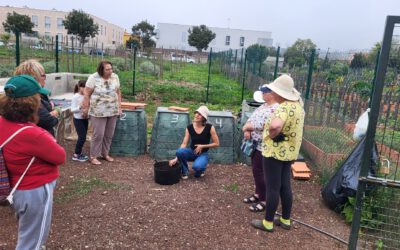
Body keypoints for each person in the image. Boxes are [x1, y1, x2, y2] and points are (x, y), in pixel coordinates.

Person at [0, 75, 66, 250]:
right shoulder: (33, 134)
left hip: (16, 189)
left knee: (27, 232)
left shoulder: (2, 123)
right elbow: (60, 156)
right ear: (31, 103)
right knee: (32, 243)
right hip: (34, 191)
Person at [251, 74, 305, 232]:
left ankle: (268, 223)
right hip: (289, 152)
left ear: (281, 93)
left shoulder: (283, 107)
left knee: (272, 187)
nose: (273, 94)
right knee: (285, 186)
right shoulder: (298, 107)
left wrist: (272, 135)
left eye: (275, 92)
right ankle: (285, 220)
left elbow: (275, 126)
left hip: (275, 153)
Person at [242, 84, 279, 212]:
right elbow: (251, 119)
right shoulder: (263, 106)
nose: (262, 95)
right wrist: (247, 128)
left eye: (264, 92)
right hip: (254, 142)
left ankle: (264, 199)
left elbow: (267, 124)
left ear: (271, 94)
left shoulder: (276, 108)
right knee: (256, 170)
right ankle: (258, 193)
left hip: (265, 144)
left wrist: (249, 128)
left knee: (260, 172)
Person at [82, 61, 122, 165]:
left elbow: (118, 92)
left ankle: (105, 153)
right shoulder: (93, 78)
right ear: (101, 70)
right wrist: (85, 108)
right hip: (98, 111)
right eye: (107, 69)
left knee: (109, 134)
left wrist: (119, 107)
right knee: (98, 134)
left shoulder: (115, 77)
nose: (110, 71)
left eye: (111, 69)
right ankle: (93, 156)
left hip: (112, 110)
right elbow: (86, 93)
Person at [169, 106, 220, 179]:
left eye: (200, 114)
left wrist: (202, 146)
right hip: (192, 152)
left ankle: (201, 169)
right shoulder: (189, 127)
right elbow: (184, 144)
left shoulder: (210, 127)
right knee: (179, 151)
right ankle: (185, 171)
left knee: (197, 168)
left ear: (204, 118)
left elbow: (217, 143)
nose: (196, 115)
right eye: (196, 113)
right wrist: (176, 158)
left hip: (203, 154)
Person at [14, 59, 59, 136]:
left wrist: (52, 111)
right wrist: (56, 112)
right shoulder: (29, 99)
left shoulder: (40, 94)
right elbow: (48, 120)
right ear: (33, 79)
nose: (45, 78)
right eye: (43, 75)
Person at [71, 80, 89, 162]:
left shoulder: (87, 96)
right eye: (83, 87)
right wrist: (80, 107)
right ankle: (76, 154)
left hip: (85, 119)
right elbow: (72, 110)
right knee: (82, 137)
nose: (85, 89)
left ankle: (79, 153)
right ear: (79, 87)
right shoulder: (75, 96)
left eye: (86, 87)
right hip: (78, 120)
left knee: (83, 137)